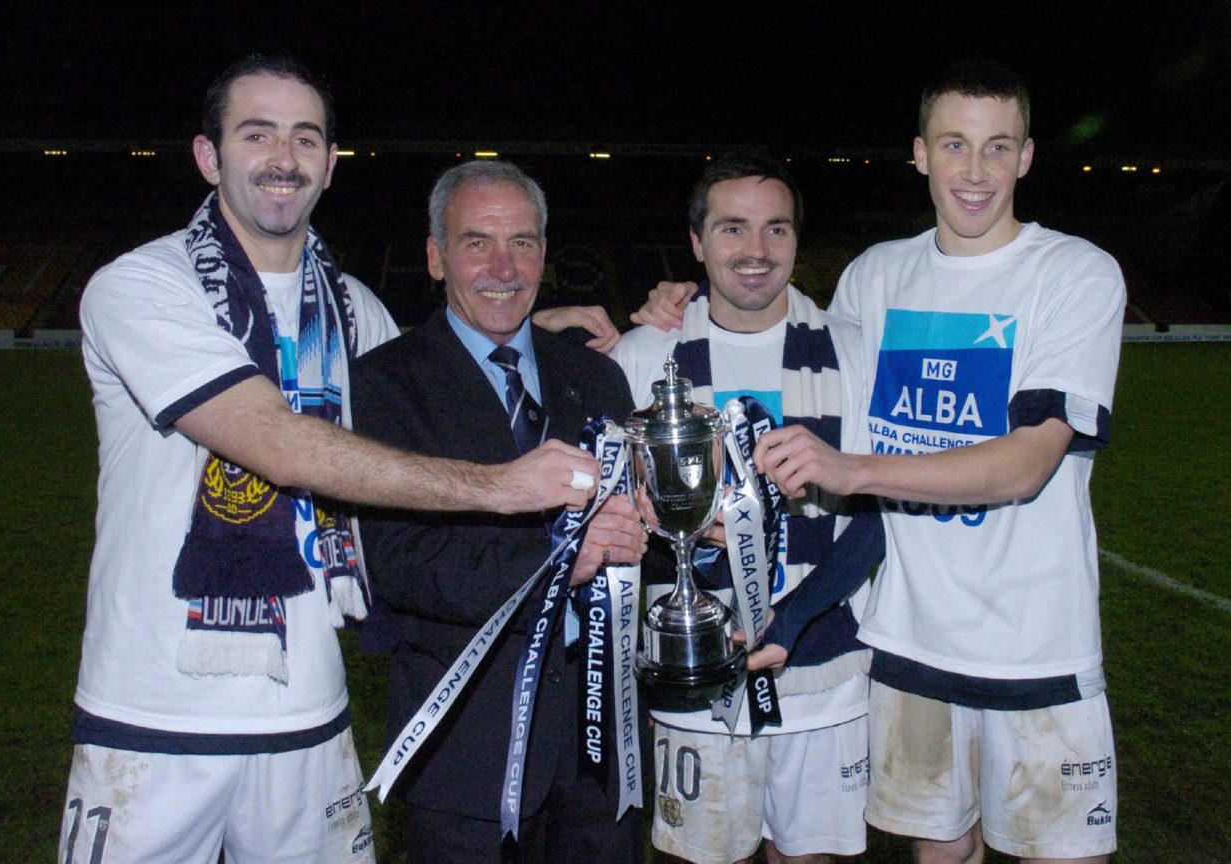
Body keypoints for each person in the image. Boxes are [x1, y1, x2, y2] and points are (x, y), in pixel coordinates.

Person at [64, 57, 605, 864]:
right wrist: (501, 488)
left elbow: (442, 367)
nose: (284, 156)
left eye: (304, 137)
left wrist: (544, 323)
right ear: (210, 157)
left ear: (327, 164)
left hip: (311, 712)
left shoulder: (355, 308)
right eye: (257, 134)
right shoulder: (142, 286)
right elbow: (279, 442)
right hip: (154, 716)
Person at [638, 62, 1125, 864]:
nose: (975, 171)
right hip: (903, 644)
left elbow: (1027, 464)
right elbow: (766, 323)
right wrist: (678, 301)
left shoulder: (1073, 273)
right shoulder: (875, 278)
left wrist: (853, 471)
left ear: (1027, 157)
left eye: (997, 147)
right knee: (939, 852)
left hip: (1035, 640)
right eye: (955, 145)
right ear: (920, 154)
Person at [351, 160, 646, 864]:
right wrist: (557, 564)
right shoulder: (382, 385)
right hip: (465, 757)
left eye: (524, 242)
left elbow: (632, 540)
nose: (504, 266)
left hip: (600, 749)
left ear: (546, 252)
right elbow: (395, 564)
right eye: (477, 241)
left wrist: (672, 530)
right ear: (435, 255)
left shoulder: (596, 376)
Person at [610, 152, 877, 864]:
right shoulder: (642, 359)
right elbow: (611, 513)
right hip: (694, 659)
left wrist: (797, 614)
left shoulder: (853, 353)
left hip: (825, 665)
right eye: (732, 229)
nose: (755, 252)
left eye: (776, 230)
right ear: (696, 244)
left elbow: (882, 515)